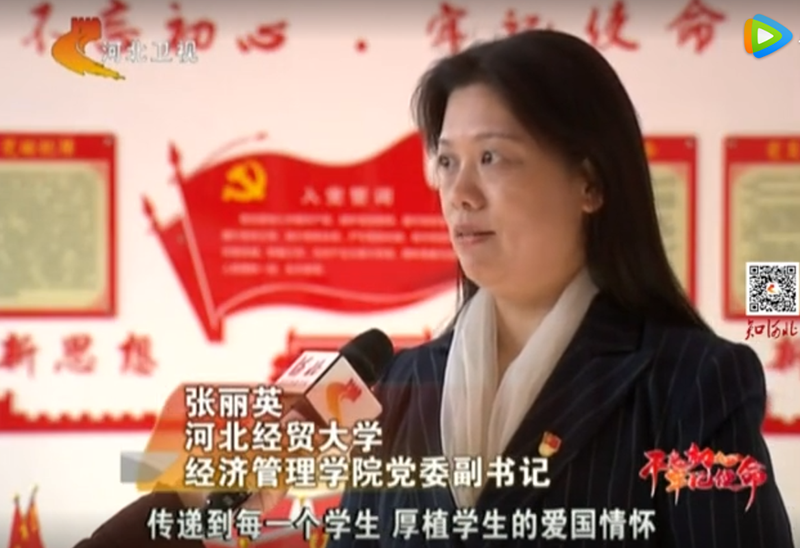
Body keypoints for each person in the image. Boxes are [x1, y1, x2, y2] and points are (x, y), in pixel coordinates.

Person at [72, 29, 794, 548]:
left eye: (493, 158)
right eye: (447, 162)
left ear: (591, 182)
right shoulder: (393, 386)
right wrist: (205, 498)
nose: (460, 193)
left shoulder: (689, 382)